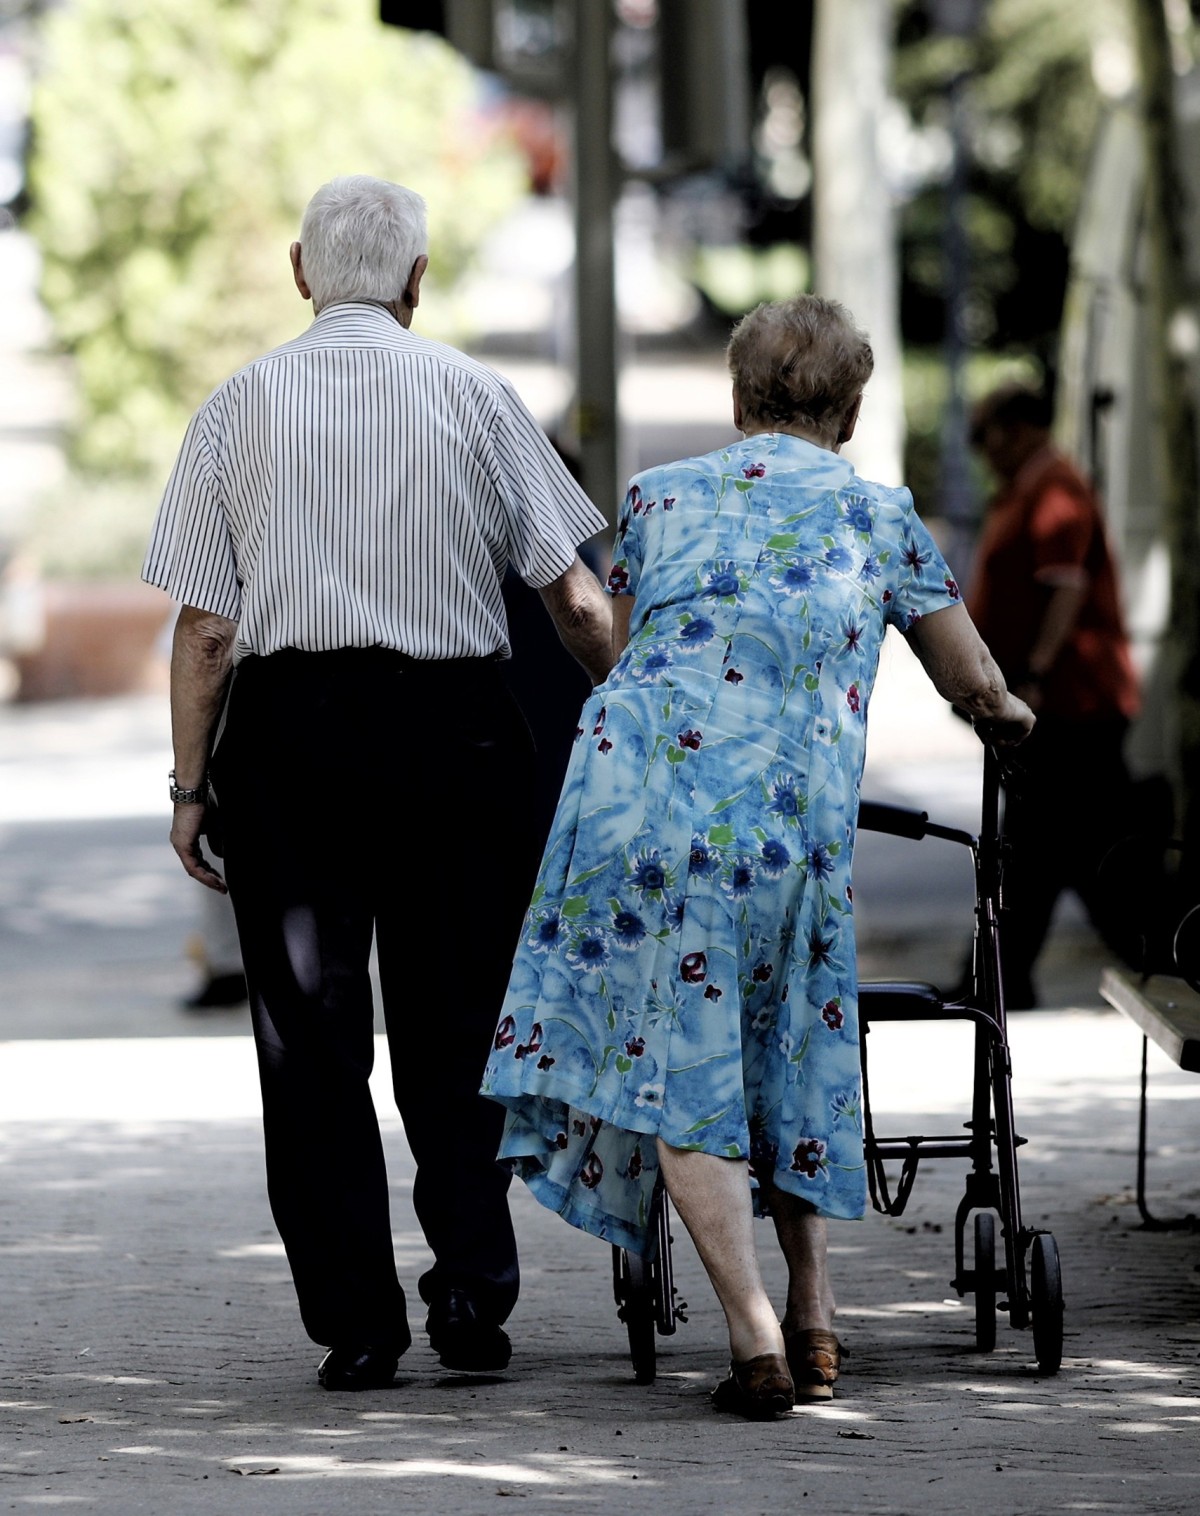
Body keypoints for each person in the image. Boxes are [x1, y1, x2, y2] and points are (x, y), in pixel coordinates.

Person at [481, 294, 1034, 1419]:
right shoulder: (882, 518)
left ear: (739, 402)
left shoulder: (657, 499)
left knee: (684, 1065)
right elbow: (968, 678)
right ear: (854, 406)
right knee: (794, 1048)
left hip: (638, 818)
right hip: (787, 836)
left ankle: (762, 1333)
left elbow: (639, 647)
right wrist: (1009, 715)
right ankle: (803, 1313)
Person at [141, 175, 612, 1392]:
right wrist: (627, 707)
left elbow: (203, 631)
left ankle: (357, 1321)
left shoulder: (237, 407)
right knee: (457, 1024)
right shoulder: (475, 396)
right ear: (418, 279)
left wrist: (191, 784)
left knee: (310, 1040)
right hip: (457, 737)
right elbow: (572, 596)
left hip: (294, 743)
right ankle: (470, 1289)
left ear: (302, 272)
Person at [965, 382, 1141, 1008]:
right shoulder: (1029, 490)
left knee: (1074, 847)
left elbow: (1065, 587)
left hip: (1071, 705)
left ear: (1018, 428)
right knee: (1052, 845)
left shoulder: (1055, 491)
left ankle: (1002, 975)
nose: (979, 451)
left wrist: (1033, 671)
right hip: (1054, 706)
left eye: (982, 434)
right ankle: (999, 974)